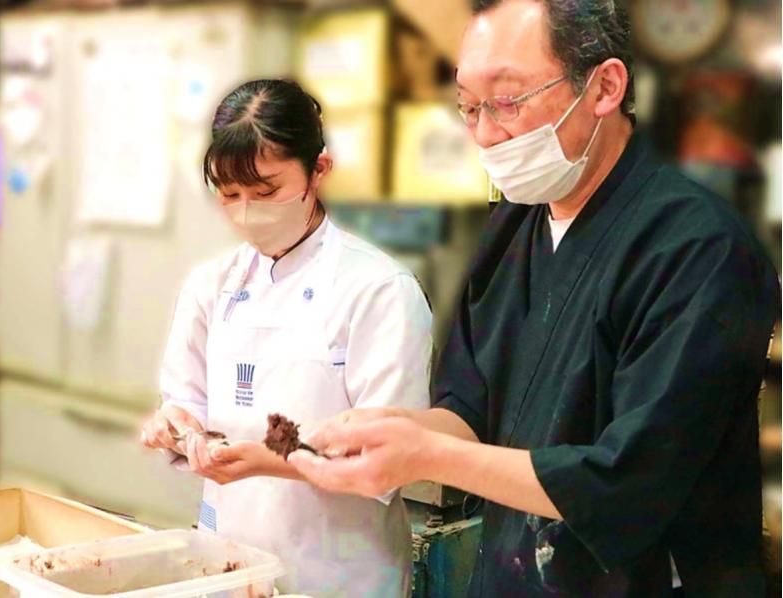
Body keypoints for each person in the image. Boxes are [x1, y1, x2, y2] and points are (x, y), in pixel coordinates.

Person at [287, 1, 782, 596]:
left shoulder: (697, 248)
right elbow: (472, 406)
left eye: (508, 100)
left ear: (604, 86)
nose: (485, 133)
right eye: (469, 105)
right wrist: (396, 431)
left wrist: (427, 455)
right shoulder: (513, 229)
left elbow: (629, 479)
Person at [140, 79, 432, 597]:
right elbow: (186, 400)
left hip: (338, 572)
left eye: (266, 190)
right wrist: (178, 426)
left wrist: (271, 462)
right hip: (227, 562)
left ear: (318, 170)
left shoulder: (378, 290)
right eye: (230, 194)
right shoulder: (211, 286)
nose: (247, 210)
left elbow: (389, 460)